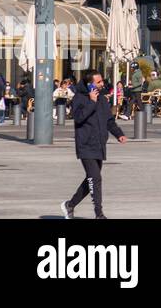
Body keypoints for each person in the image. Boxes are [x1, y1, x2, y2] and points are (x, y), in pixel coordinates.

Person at [61, 72, 126, 220]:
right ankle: (99, 214)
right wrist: (91, 101)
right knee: (95, 178)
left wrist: (119, 134)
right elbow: (78, 118)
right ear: (89, 84)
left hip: (99, 145)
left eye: (102, 81)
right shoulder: (80, 98)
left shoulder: (102, 99)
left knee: (91, 179)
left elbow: (109, 120)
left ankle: (70, 205)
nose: (102, 84)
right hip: (86, 144)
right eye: (98, 82)